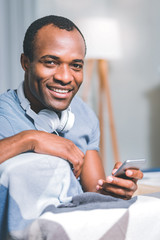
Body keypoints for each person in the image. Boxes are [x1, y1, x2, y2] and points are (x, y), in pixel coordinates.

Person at [0, 15, 143, 200]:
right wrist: (31, 138)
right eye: (51, 62)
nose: (65, 77)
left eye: (76, 65)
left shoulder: (84, 114)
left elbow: (94, 192)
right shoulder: (4, 113)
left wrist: (115, 190)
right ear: (26, 63)